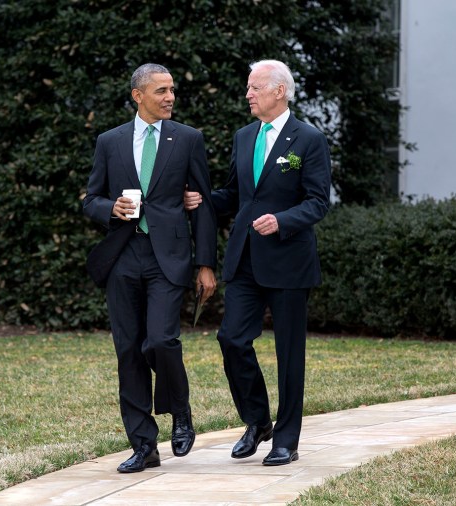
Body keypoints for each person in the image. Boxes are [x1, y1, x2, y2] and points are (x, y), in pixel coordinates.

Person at [184, 59, 330, 466]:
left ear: (279, 91)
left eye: (254, 87)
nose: (248, 94)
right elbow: (236, 195)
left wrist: (282, 221)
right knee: (231, 339)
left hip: (288, 263)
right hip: (245, 260)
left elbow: (318, 202)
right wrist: (204, 199)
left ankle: (286, 439)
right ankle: (257, 421)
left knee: (289, 355)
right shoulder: (244, 136)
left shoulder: (309, 139)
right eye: (248, 88)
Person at [83, 63, 217, 473]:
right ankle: (144, 445)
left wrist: (206, 263)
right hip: (123, 257)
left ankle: (180, 411)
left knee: (159, 341)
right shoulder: (110, 141)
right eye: (161, 91)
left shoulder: (188, 139)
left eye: (172, 90)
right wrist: (111, 208)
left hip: (168, 258)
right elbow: (91, 198)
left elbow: (204, 206)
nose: (170, 97)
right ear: (138, 95)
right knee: (128, 352)